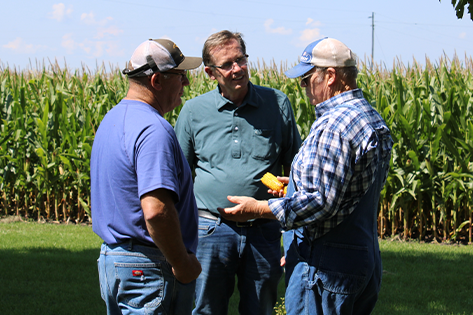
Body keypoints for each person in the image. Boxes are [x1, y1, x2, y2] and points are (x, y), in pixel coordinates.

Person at [218, 37, 393, 315]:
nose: (303, 87)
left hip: (327, 264)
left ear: (331, 77)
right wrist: (296, 185)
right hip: (363, 258)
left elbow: (320, 202)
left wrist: (259, 208)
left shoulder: (335, 125)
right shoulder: (369, 117)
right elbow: (351, 186)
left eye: (307, 78)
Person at [174, 30, 302, 315]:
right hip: (210, 229)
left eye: (241, 60)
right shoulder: (194, 112)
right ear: (210, 72)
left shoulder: (277, 103)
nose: (237, 69)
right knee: (207, 308)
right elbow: (178, 177)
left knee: (261, 309)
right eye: (227, 64)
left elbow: (296, 170)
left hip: (263, 230)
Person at [90, 38, 203, 315]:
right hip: (149, 267)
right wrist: (181, 263)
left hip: (114, 260)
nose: (186, 84)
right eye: (180, 75)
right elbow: (155, 212)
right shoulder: (153, 129)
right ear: (156, 81)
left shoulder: (112, 120)